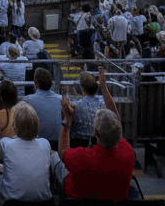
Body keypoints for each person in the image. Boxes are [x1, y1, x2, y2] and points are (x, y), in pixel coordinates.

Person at [58, 66, 135, 202]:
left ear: (96, 133)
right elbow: (115, 119)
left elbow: (63, 151)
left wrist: (67, 120)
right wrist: (104, 87)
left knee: (56, 163)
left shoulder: (83, 158)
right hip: (115, 199)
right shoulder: (128, 152)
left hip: (79, 197)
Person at [0, 100, 65, 204]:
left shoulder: (6, 144)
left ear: (15, 125)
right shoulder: (45, 144)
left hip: (10, 201)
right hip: (43, 201)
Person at [24, 66, 62, 146]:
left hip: (37, 144)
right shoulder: (60, 99)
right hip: (57, 143)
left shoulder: (28, 100)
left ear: (36, 84)